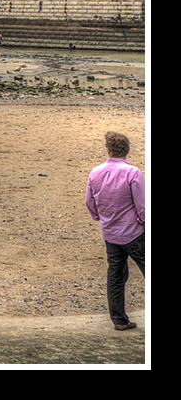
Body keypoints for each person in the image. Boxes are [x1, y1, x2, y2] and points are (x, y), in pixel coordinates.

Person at [86, 131, 145, 331]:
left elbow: (90, 201)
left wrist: (99, 218)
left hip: (111, 233)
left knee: (116, 275)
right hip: (134, 233)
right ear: (126, 151)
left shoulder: (95, 172)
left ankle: (119, 320)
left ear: (109, 150)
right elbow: (141, 206)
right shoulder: (133, 173)